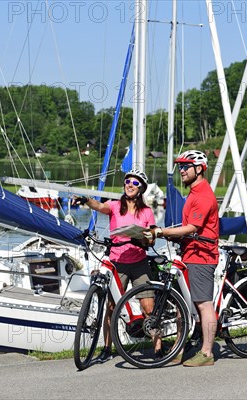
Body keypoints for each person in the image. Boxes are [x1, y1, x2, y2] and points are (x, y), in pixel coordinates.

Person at [73, 168, 161, 362]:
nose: (130, 184)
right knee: (111, 308)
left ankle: (157, 347)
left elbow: (152, 238)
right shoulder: (114, 206)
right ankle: (107, 348)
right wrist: (85, 200)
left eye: (135, 183)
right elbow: (99, 206)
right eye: (128, 181)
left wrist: (146, 238)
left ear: (141, 189)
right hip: (117, 262)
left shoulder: (146, 212)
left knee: (148, 307)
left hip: (139, 263)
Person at [144, 150, 220, 367]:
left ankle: (207, 354)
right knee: (181, 306)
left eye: (186, 166)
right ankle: (180, 348)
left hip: (202, 257)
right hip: (189, 253)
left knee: (203, 304)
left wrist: (161, 232)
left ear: (199, 169)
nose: (182, 170)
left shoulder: (204, 195)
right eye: (180, 167)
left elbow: (193, 227)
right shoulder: (194, 193)